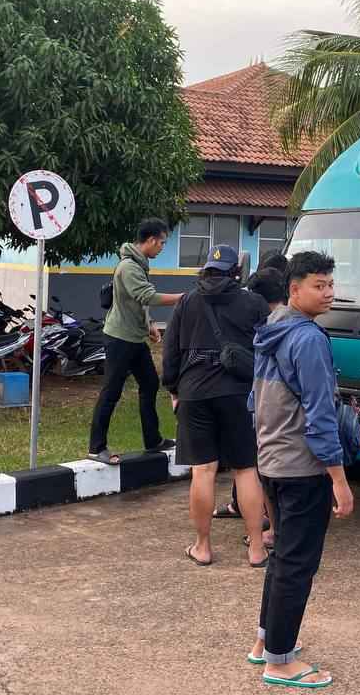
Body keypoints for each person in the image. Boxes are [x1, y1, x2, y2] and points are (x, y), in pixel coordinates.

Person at [248, 251, 351, 689]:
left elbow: (254, 401)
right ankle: (280, 662)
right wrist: (339, 480)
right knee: (297, 565)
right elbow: (321, 414)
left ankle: (266, 642)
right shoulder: (308, 338)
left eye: (330, 284)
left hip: (272, 459)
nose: (328, 293)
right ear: (295, 289)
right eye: (318, 285)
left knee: (283, 558)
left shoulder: (273, 328)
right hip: (302, 467)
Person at [163, 245, 270, 567]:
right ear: (237, 272)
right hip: (238, 394)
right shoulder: (254, 303)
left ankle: (203, 547)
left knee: (203, 471)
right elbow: (267, 349)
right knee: (246, 470)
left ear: (206, 268)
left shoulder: (187, 301)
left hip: (194, 393)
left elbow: (171, 353)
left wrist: (173, 389)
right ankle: (256, 549)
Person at [87, 218, 183, 464]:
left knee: (150, 384)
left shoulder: (139, 263)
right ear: (150, 240)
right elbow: (146, 296)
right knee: (111, 391)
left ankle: (153, 441)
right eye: (161, 243)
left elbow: (135, 301)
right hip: (120, 337)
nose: (162, 247)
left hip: (135, 337)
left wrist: (149, 324)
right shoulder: (129, 266)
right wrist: (182, 298)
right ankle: (96, 447)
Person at [215, 266, 287, 531]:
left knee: (258, 466)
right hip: (271, 407)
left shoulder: (271, 326)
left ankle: (270, 528)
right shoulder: (290, 325)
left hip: (263, 405)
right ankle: (269, 526)